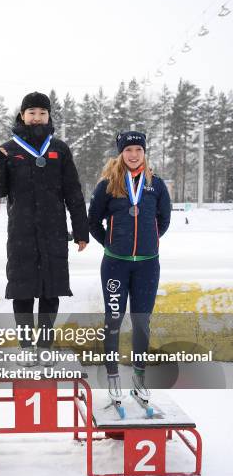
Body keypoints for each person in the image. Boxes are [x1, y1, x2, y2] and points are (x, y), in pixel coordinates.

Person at [0, 92, 89, 365]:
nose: (37, 117)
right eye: (31, 112)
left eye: (42, 112)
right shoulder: (9, 149)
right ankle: (26, 347)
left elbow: (73, 192)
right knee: (22, 290)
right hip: (21, 233)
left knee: (50, 290)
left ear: (48, 116)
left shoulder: (60, 149)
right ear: (22, 115)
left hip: (54, 231)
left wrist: (80, 230)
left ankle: (44, 345)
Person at [88, 131, 171, 407]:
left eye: (138, 149)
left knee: (141, 321)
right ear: (120, 154)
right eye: (128, 150)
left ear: (144, 152)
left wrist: (149, 243)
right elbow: (93, 221)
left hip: (148, 266)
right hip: (115, 265)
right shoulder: (108, 185)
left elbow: (164, 219)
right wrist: (111, 244)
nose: (133, 154)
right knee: (113, 320)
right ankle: (113, 379)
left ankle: (139, 379)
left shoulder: (156, 185)